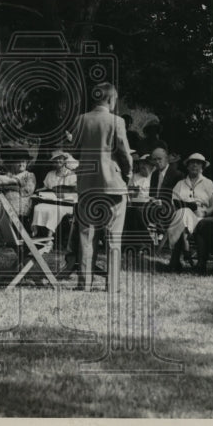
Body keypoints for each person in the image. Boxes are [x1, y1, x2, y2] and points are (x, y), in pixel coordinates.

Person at [68, 82, 132, 292]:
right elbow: (124, 154)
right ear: (111, 99)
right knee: (113, 238)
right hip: (113, 186)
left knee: (86, 236)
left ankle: (84, 283)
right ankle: (112, 286)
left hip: (87, 185)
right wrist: (128, 175)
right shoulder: (117, 121)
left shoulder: (81, 119)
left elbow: (75, 152)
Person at [166, 153, 213, 272]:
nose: (195, 165)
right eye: (192, 162)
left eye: (198, 163)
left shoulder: (208, 183)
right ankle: (187, 253)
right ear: (187, 166)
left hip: (201, 217)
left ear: (202, 167)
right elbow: (172, 204)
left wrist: (205, 213)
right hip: (181, 214)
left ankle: (176, 259)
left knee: (186, 219)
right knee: (183, 213)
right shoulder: (180, 184)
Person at [0, 148, 36, 222]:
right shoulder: (9, 174)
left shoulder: (29, 175)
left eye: (23, 162)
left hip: (20, 207)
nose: (21, 164)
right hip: (5, 204)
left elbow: (26, 191)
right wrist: (16, 186)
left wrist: (7, 186)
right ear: (13, 163)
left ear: (27, 163)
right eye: (18, 162)